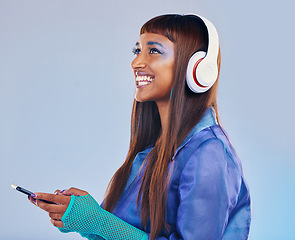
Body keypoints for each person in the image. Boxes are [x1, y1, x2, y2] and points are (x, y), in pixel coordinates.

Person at [29, 14, 251, 240]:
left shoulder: (210, 154)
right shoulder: (153, 152)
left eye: (153, 51)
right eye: (137, 51)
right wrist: (80, 218)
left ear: (197, 69)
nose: (136, 63)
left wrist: (98, 220)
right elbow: (123, 233)